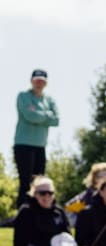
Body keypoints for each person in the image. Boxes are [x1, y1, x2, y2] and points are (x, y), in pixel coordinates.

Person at [14, 69, 60, 207]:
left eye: (42, 81)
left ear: (46, 83)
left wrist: (39, 114)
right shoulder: (23, 96)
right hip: (23, 144)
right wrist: (47, 115)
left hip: (40, 145)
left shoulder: (49, 100)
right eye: (36, 81)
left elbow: (56, 120)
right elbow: (30, 116)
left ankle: (38, 210)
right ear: (31, 81)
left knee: (39, 182)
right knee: (25, 181)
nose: (39, 84)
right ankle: (23, 211)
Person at [63, 162, 106, 227]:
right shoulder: (86, 196)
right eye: (101, 176)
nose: (105, 179)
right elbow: (68, 209)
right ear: (94, 178)